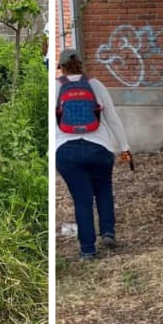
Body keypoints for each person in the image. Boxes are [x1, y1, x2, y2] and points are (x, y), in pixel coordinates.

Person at [54, 48, 131, 261]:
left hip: (67, 151)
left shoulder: (55, 87)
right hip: (99, 148)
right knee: (104, 190)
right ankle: (108, 232)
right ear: (81, 64)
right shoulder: (95, 85)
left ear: (61, 67)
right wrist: (124, 147)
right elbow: (112, 118)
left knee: (82, 200)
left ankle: (87, 250)